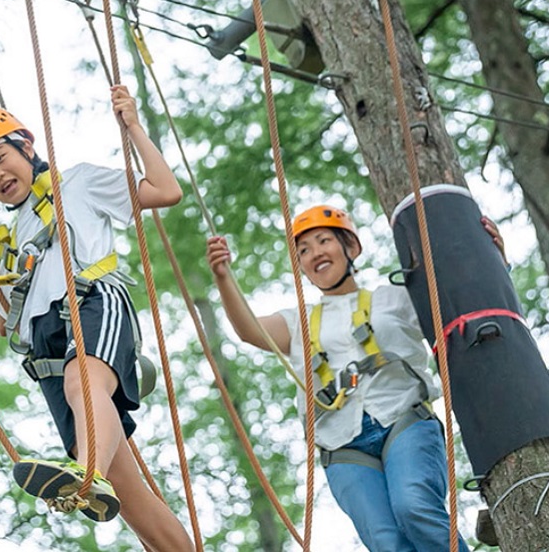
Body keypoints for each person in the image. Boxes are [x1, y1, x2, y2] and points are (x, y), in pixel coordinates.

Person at [0, 87, 192, 552]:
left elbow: (165, 190)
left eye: (1, 158)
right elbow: (5, 321)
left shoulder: (76, 184)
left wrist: (134, 129)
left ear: (28, 148)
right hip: (45, 348)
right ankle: (100, 478)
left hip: (92, 300)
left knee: (81, 380)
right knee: (134, 502)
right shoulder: (9, 238)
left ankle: (87, 472)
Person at [205, 206, 503, 550]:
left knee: (415, 507)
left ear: (351, 248)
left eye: (323, 241)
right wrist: (223, 277)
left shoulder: (395, 298)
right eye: (304, 250)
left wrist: (494, 257)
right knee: (385, 541)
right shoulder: (298, 323)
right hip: (342, 445)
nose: (315, 252)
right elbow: (248, 330)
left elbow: (461, 303)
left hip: (403, 419)